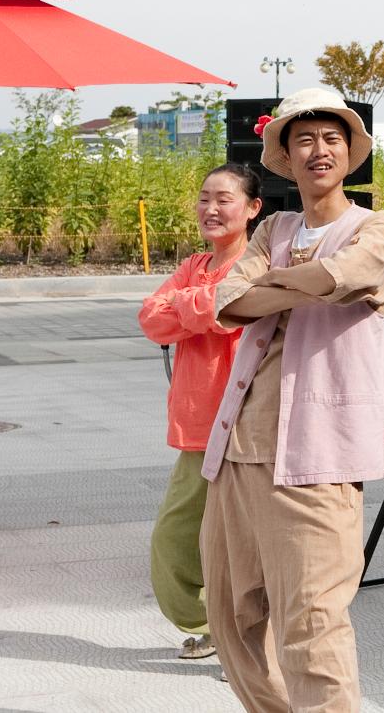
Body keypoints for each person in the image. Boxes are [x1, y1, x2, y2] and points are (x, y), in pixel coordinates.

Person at [199, 87, 384, 712]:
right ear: (286, 154)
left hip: (318, 454)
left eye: (333, 138)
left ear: (351, 153)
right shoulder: (275, 227)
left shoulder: (376, 227)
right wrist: (310, 285)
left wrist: (282, 283)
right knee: (230, 617)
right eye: (306, 139)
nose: (320, 150)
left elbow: (343, 275)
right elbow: (228, 303)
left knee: (312, 624)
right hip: (239, 446)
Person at [139, 163, 262, 661]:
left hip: (249, 422)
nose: (210, 208)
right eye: (204, 197)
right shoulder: (193, 265)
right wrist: (204, 306)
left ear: (254, 208)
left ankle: (249, 638)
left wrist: (192, 309)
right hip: (197, 425)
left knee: (245, 539)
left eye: (224, 199)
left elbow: (235, 304)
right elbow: (152, 319)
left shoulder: (259, 263)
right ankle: (210, 624)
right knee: (177, 537)